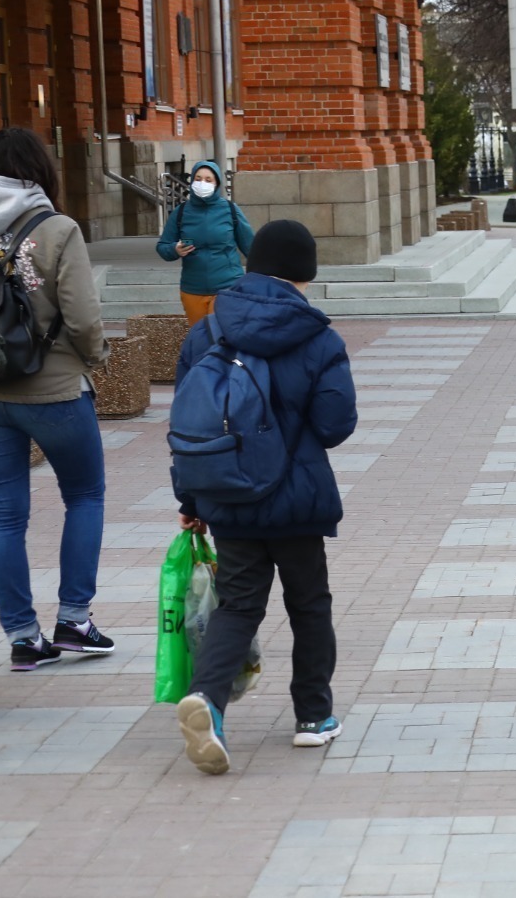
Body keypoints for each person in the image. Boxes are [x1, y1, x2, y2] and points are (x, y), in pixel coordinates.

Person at [173, 220, 357, 775]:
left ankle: (207, 699)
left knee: (239, 604)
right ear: (305, 273)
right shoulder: (317, 335)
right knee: (309, 603)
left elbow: (187, 428)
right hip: (296, 499)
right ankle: (313, 718)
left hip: (227, 497)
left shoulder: (205, 332)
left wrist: (191, 501)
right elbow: (334, 425)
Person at [0, 128, 115, 671]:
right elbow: (84, 317)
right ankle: (74, 620)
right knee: (84, 494)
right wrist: (96, 356)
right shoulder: (58, 228)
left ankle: (23, 638)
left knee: (2, 518)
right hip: (57, 388)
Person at [156, 160, 255, 326]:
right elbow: (162, 247)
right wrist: (175, 249)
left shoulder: (230, 210)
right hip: (193, 289)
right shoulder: (180, 212)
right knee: (201, 340)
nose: (203, 183)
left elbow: (251, 248)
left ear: (217, 184)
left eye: (209, 180)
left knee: (218, 335)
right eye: (198, 178)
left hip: (227, 286)